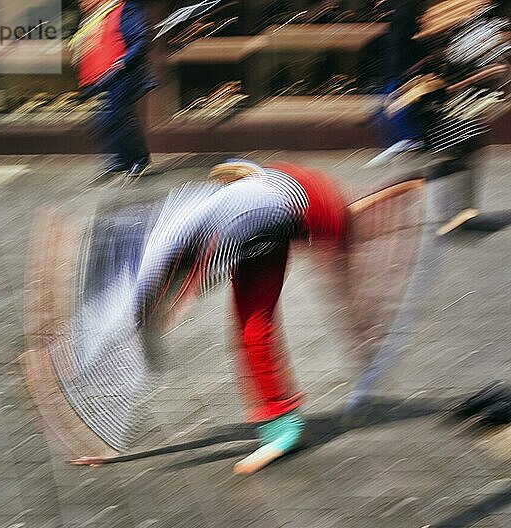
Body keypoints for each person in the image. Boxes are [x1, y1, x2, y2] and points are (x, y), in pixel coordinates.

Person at [64, 160, 350, 474]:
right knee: (252, 330)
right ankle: (284, 426)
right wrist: (107, 445)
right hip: (258, 226)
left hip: (298, 202)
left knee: (344, 243)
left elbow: (141, 334)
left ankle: (286, 428)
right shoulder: (163, 234)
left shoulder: (166, 242)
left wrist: (105, 436)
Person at [71, 0, 156, 182]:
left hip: (123, 74)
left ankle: (138, 159)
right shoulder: (93, 18)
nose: (82, 3)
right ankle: (123, 160)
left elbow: (140, 39)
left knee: (114, 117)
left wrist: (123, 62)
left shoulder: (123, 8)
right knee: (108, 121)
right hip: (101, 79)